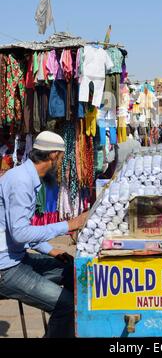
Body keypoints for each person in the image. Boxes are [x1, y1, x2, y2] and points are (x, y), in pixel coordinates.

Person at [0, 131, 88, 338]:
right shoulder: (21, 181)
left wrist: (52, 250)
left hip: (18, 258)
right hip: (6, 269)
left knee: (72, 270)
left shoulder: (26, 177)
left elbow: (21, 232)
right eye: (59, 158)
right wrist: (68, 225)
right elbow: (21, 233)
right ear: (54, 156)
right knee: (65, 306)